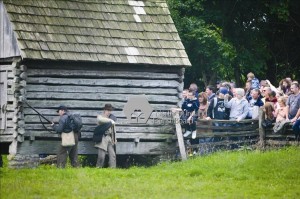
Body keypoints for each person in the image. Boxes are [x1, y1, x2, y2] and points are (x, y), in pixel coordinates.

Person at [94, 104, 117, 168]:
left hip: (109, 138)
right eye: (108, 110)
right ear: (104, 110)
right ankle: (98, 168)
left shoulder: (111, 118)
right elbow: (100, 120)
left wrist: (114, 139)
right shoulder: (100, 117)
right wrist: (111, 121)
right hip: (102, 138)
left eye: (110, 110)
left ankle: (112, 169)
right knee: (101, 156)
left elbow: (113, 130)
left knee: (112, 155)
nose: (109, 112)